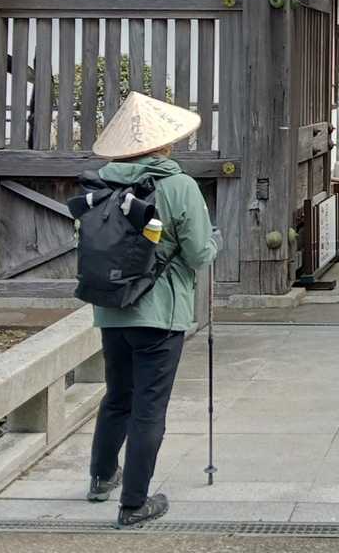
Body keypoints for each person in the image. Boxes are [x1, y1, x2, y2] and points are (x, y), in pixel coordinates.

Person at [84, 92, 220, 529]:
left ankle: (101, 478)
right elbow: (198, 254)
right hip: (161, 314)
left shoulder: (101, 185)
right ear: (166, 143)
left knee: (117, 396)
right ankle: (134, 504)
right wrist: (214, 242)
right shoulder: (179, 186)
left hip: (112, 310)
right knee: (149, 407)